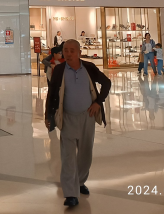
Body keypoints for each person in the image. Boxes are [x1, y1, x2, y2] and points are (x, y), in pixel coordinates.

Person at [44, 40, 111, 207]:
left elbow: (106, 83)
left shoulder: (88, 68)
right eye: (66, 50)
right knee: (67, 156)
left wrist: (98, 103)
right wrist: (49, 115)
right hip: (67, 118)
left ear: (79, 52)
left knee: (85, 154)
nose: (68, 53)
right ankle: (71, 194)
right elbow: (52, 93)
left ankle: (80, 182)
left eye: (72, 50)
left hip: (87, 117)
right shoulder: (59, 70)